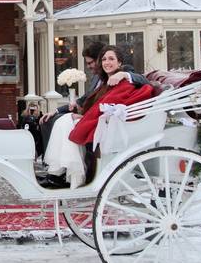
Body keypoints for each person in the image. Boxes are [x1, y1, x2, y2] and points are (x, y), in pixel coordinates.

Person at [42, 45, 154, 188]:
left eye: (111, 59)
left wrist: (124, 74)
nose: (107, 62)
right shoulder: (101, 79)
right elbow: (89, 100)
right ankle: (58, 173)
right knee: (62, 120)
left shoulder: (124, 77)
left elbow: (142, 83)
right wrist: (71, 112)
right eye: (104, 59)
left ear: (120, 63)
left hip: (108, 123)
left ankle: (71, 175)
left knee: (66, 122)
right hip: (97, 117)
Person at [38, 41, 147, 156]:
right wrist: (56, 110)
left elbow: (143, 80)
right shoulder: (98, 78)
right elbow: (85, 98)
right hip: (91, 114)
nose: (88, 66)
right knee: (52, 119)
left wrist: (124, 75)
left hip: (106, 120)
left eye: (91, 63)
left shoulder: (124, 71)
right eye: (104, 59)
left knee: (61, 121)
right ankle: (52, 160)